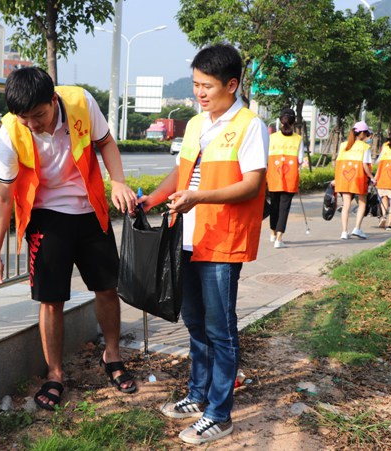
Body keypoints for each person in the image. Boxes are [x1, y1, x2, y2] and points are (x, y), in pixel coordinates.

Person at [0, 67, 137, 411]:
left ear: (53, 100)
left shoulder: (81, 102)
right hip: (45, 215)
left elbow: (105, 142)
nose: (33, 125)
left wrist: (120, 182)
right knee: (50, 300)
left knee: (107, 288)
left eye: (38, 115)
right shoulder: (11, 131)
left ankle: (111, 355)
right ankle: (54, 374)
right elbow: (3, 198)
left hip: (89, 207)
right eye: (25, 119)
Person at [138, 44, 268, 445]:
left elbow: (251, 184)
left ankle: (219, 414)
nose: (200, 93)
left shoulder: (250, 125)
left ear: (232, 84)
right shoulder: (195, 125)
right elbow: (181, 176)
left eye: (207, 86)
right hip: (187, 237)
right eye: (195, 84)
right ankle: (197, 395)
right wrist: (152, 200)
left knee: (221, 329)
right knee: (194, 322)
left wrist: (199, 198)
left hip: (223, 240)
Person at [266, 107, 303, 249]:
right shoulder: (298, 139)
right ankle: (279, 239)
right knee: (284, 208)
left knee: (274, 206)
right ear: (294, 122)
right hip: (290, 177)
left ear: (281, 121)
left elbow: (266, 157)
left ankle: (272, 233)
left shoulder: (272, 138)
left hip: (273, 176)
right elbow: (300, 160)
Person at [334, 121, 374, 240]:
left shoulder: (343, 145)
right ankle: (357, 228)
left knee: (346, 205)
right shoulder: (365, 147)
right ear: (361, 133)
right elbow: (365, 165)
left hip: (344, 177)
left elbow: (338, 163)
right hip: (359, 178)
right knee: (362, 202)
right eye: (366, 133)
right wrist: (372, 177)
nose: (367, 136)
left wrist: (335, 179)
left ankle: (344, 232)